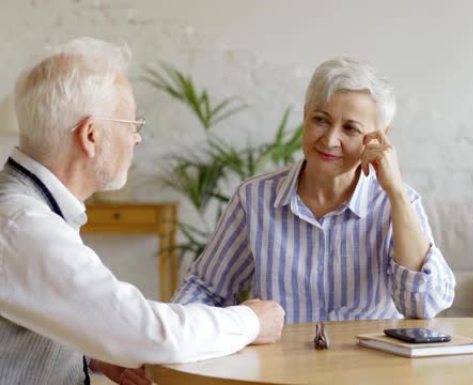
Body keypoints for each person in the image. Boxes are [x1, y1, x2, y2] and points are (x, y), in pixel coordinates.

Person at [0, 37, 284, 385]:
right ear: (91, 136)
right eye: (132, 125)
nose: (136, 139)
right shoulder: (22, 224)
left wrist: (93, 355)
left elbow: (34, 311)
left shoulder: (26, 212)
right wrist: (251, 320)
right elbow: (149, 333)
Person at [174, 57, 456, 323]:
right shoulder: (254, 199)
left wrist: (395, 192)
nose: (330, 139)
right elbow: (208, 289)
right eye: (321, 120)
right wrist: (166, 340)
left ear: (379, 137)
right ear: (305, 115)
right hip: (281, 369)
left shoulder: (397, 203)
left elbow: (423, 306)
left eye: (350, 129)